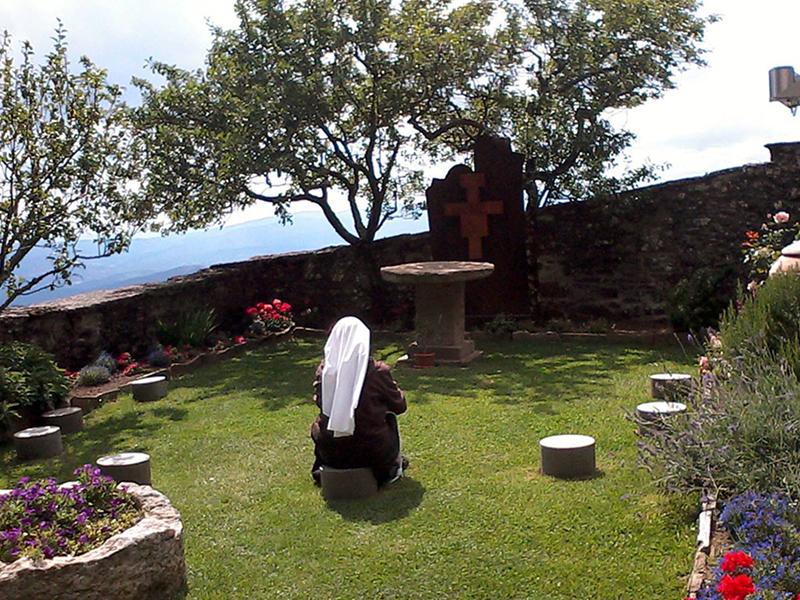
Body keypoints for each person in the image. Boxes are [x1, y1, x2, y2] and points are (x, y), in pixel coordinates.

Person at [310, 316, 408, 486]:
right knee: (390, 418)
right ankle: (388, 469)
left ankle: (325, 467)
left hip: (331, 451)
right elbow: (399, 406)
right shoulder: (377, 372)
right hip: (372, 452)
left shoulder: (325, 372)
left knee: (319, 424)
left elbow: (321, 404)